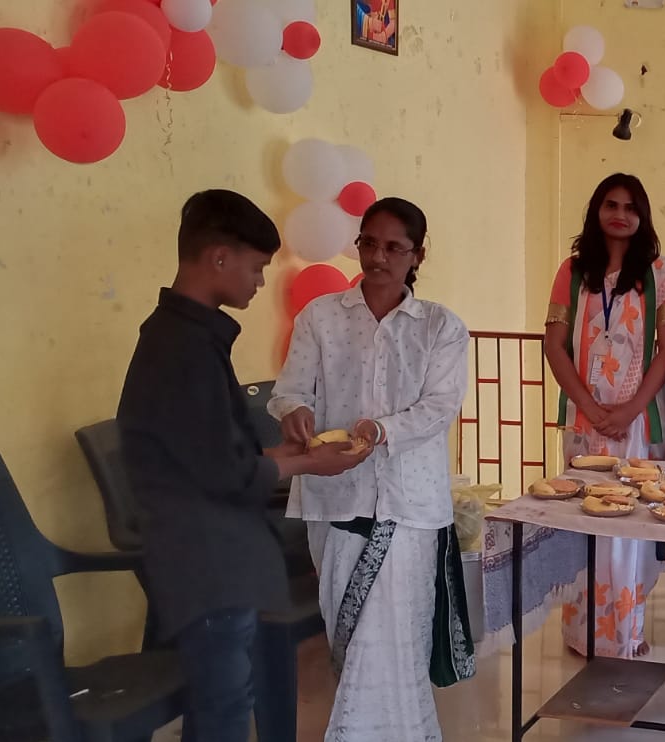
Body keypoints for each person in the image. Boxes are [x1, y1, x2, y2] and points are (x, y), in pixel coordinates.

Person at [117, 190, 368, 742]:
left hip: (217, 550)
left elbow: (212, 452)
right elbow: (224, 474)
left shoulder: (189, 336)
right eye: (255, 268)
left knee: (226, 700)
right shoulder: (179, 348)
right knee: (224, 709)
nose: (258, 282)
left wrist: (292, 454)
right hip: (206, 560)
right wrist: (309, 465)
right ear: (219, 258)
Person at [269, 197, 472, 741]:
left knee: (397, 638)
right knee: (353, 635)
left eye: (394, 247)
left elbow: (439, 408)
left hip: (410, 506)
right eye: (369, 243)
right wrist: (294, 410)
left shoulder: (440, 327)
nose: (378, 257)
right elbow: (290, 389)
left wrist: (381, 431)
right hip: (335, 498)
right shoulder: (320, 317)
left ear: (417, 255)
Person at [545, 173, 665, 658]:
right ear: (596, 210)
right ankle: (581, 633)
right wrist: (589, 407)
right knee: (585, 519)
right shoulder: (572, 271)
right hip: (584, 423)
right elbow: (554, 345)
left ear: (642, 215)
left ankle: (627, 631)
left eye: (630, 207)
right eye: (611, 204)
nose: (620, 214)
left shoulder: (662, 275)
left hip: (638, 423)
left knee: (628, 526)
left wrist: (628, 409)